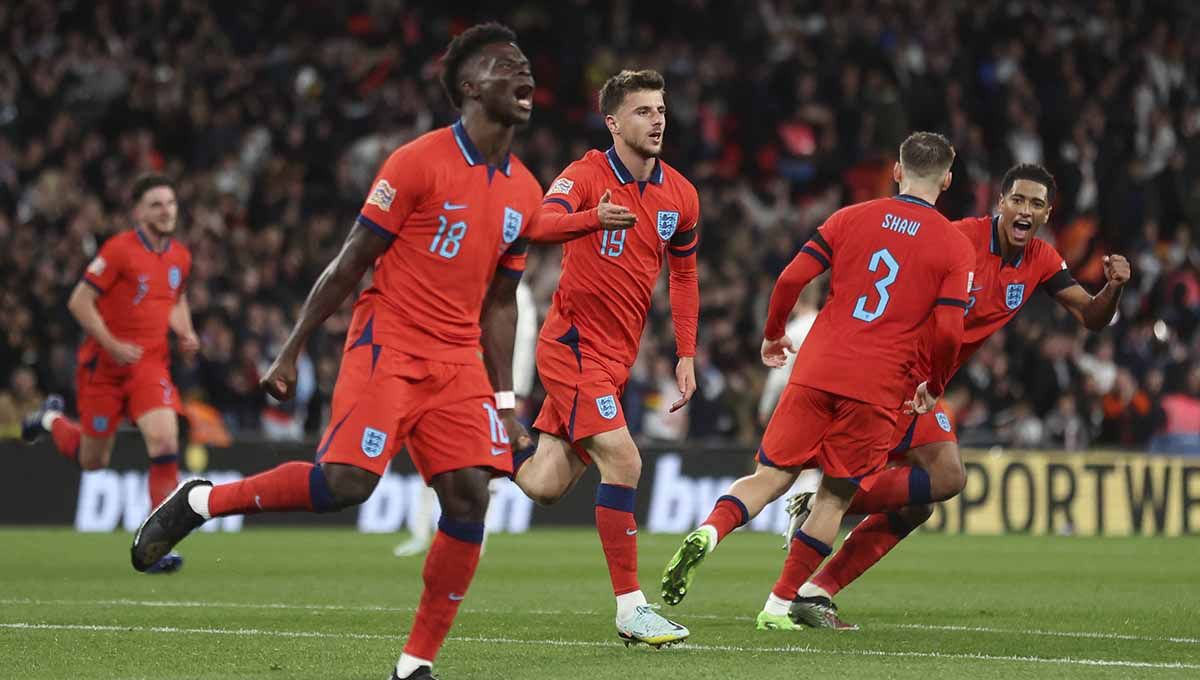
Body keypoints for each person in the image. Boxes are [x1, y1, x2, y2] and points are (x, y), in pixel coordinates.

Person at [129, 23, 624, 680]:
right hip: (387, 341)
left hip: (456, 361)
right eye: (508, 65)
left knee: (470, 498)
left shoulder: (526, 192)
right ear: (472, 86)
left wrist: (504, 396)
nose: (524, 74)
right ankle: (201, 502)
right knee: (344, 486)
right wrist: (289, 349)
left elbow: (501, 303)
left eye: (527, 65)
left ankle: (413, 666)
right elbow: (347, 264)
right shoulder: (416, 162)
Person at [779, 163, 1131, 627]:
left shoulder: (1042, 261)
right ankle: (822, 513)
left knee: (930, 494)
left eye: (1037, 204)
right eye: (1018, 200)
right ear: (999, 203)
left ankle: (815, 587)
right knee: (943, 478)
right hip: (892, 373)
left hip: (925, 387)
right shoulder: (955, 238)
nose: (1025, 210)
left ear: (1047, 214)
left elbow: (1091, 316)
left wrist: (1113, 288)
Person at [660, 132, 973, 632]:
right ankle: (778, 606)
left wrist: (772, 335)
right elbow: (952, 330)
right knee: (833, 498)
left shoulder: (850, 217)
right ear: (948, 180)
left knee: (769, 476)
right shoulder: (954, 246)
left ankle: (710, 532)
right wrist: (933, 383)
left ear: (896, 171)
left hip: (815, 369)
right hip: (877, 384)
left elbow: (788, 279)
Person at [509, 69, 700, 647]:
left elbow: (685, 276)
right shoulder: (586, 175)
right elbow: (536, 225)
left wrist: (685, 353)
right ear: (613, 123)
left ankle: (480, 440)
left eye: (661, 109)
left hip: (616, 359)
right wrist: (592, 218)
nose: (658, 119)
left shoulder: (682, 195)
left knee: (544, 484)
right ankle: (631, 608)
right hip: (572, 347)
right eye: (643, 111)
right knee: (626, 461)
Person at [22, 173, 198, 574]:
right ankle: (50, 419)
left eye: (170, 203)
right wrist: (112, 343)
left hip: (150, 365)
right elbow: (79, 301)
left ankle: (156, 546)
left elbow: (176, 299)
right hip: (104, 368)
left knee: (165, 439)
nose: (166, 210)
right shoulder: (119, 250)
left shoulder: (181, 257)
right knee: (93, 461)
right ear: (139, 211)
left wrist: (186, 331)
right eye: (156, 204)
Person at [393, 280, 538, 558]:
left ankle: (477, 535)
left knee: (488, 461)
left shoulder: (516, 291)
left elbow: (524, 341)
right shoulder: (472, 278)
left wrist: (515, 392)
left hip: (497, 388)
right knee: (438, 453)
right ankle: (422, 532)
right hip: (462, 377)